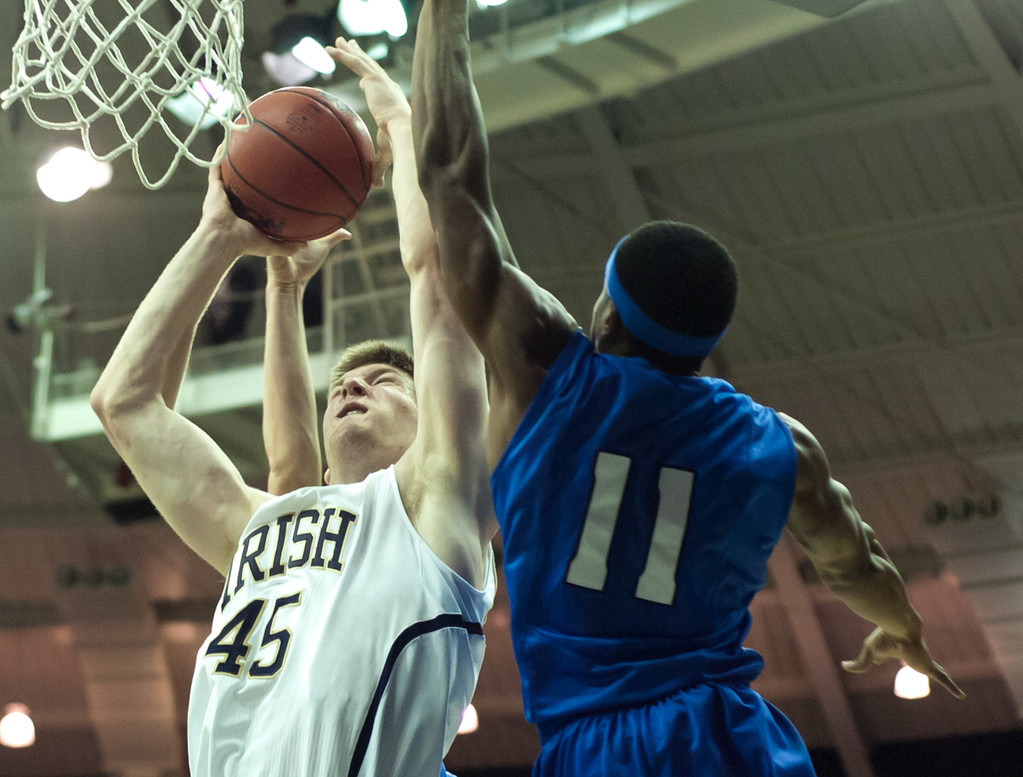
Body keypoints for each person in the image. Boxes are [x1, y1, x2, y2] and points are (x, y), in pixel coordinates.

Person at [410, 3, 965, 775]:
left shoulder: (549, 370)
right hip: (733, 738)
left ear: (606, 308)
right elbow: (851, 561)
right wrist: (901, 624)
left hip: (594, 744)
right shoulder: (779, 444)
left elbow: (447, 170)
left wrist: (443, 11)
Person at [90, 38, 497, 777]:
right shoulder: (258, 528)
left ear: (432, 418)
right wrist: (217, 237)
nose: (351, 385)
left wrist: (403, 128)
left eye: (384, 380)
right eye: (344, 381)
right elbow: (125, 401)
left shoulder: (439, 502)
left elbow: (438, 280)